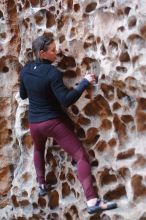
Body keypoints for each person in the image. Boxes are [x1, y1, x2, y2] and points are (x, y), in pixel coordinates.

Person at [19, 35, 117, 214]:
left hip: (35, 124)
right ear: (42, 53)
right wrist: (84, 83)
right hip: (52, 123)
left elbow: (24, 95)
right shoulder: (52, 73)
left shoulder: (25, 70)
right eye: (53, 50)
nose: (56, 53)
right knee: (81, 156)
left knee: (39, 149)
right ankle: (92, 201)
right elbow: (66, 100)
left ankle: (41, 183)